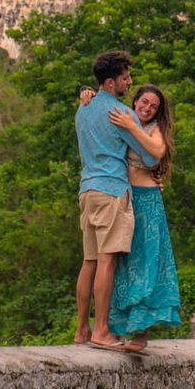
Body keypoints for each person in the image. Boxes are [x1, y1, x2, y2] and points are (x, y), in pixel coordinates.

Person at [74, 50, 158, 351]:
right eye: (125, 78)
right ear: (111, 83)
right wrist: (135, 127)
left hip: (87, 190)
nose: (129, 83)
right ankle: (102, 331)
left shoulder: (83, 108)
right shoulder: (122, 114)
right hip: (111, 192)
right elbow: (149, 157)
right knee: (107, 262)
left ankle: (82, 329)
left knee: (90, 262)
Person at [104, 84, 180, 351]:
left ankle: (142, 334)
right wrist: (87, 95)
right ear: (135, 100)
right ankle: (119, 330)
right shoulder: (121, 120)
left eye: (153, 106)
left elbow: (157, 151)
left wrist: (132, 124)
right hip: (124, 198)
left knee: (146, 264)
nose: (146, 108)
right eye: (143, 102)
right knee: (123, 264)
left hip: (147, 203)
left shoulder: (152, 129)